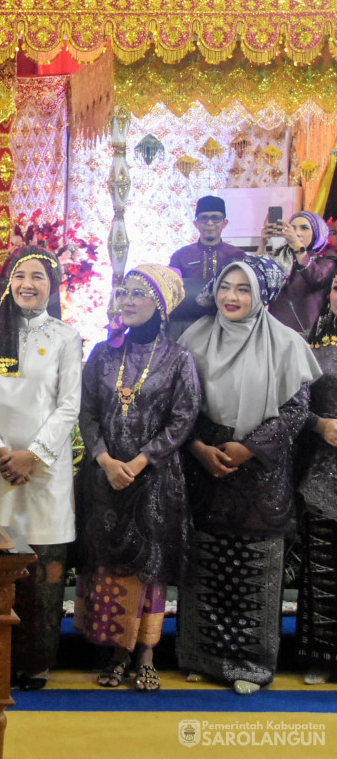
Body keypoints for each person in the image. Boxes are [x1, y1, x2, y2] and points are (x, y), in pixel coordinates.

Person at [177, 257, 319, 695]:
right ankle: (203, 657)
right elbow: (178, 402)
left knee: (252, 570)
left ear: (260, 296)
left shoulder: (287, 343)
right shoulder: (193, 338)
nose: (231, 297)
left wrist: (249, 449)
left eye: (243, 289)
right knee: (207, 566)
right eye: (225, 286)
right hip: (206, 468)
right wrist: (199, 447)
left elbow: (296, 409)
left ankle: (250, 665)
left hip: (259, 474)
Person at [74, 264, 200, 693]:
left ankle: (144, 653)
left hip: (155, 481)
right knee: (109, 563)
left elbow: (184, 418)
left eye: (136, 294)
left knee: (149, 567)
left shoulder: (178, 358)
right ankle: (113, 650)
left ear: (160, 305)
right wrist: (106, 460)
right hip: (105, 478)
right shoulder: (102, 354)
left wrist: (142, 461)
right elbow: (86, 412)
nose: (125, 301)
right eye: (123, 293)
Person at [0, 244, 82, 691]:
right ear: (7, 283)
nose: (27, 285)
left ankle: (35, 661)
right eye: (19, 276)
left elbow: (68, 407)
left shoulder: (66, 338)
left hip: (45, 473)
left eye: (37, 277)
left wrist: (32, 454)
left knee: (42, 570)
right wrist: (1, 453)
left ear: (52, 286)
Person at [292, 275, 337, 685]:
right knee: (322, 570)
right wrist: (320, 424)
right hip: (324, 476)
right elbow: (292, 408)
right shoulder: (312, 349)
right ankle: (321, 656)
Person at [168, 196, 247, 340]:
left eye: (215, 218)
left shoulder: (237, 255)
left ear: (224, 223)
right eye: (204, 218)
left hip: (227, 323)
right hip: (188, 327)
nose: (210, 223)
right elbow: (170, 291)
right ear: (196, 223)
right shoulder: (181, 255)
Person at [257, 209, 337, 334]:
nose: (297, 233)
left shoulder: (327, 256)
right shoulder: (282, 254)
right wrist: (263, 242)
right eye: (293, 228)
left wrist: (297, 247)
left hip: (307, 332)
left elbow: (317, 277)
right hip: (276, 331)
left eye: (304, 228)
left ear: (317, 231)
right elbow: (257, 277)